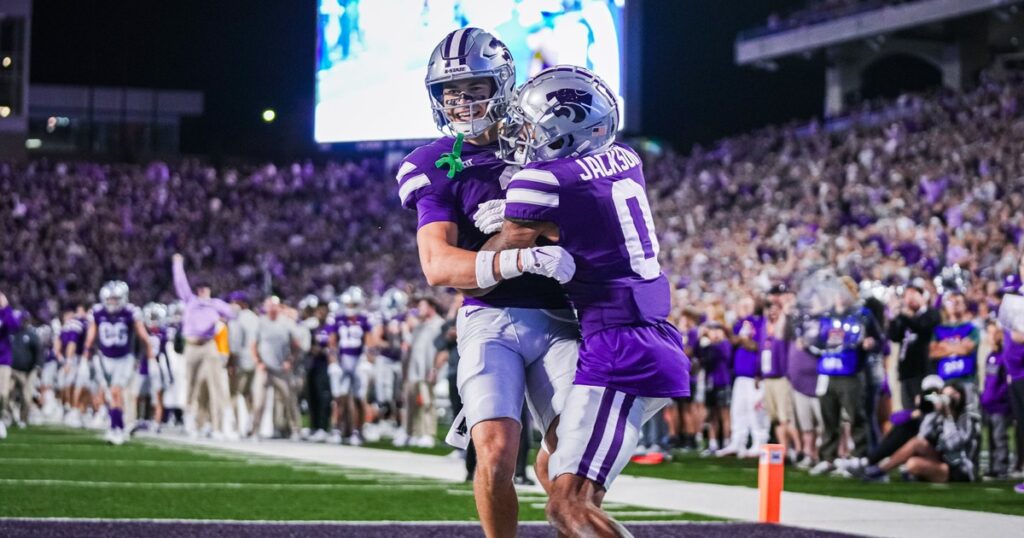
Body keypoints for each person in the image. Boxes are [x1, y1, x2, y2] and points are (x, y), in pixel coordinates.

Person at [484, 65, 691, 536]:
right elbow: (580, 217)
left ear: (564, 128)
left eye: (531, 124)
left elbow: (489, 268)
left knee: (567, 506)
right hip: (647, 330)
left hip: (618, 345)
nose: (521, 134)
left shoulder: (541, 182)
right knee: (549, 467)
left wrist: (504, 225)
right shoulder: (625, 156)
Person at [398, 28, 578, 537]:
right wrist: (519, 249)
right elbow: (438, 266)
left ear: (501, 83)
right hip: (489, 319)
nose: (460, 101)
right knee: (496, 454)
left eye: (473, 87)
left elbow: (592, 226)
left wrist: (537, 226)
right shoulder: (433, 163)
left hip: (559, 315)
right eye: (449, 92)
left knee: (572, 451)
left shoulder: (549, 144)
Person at [172, 254, 237, 439]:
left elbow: (233, 314)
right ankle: (190, 421)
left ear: (209, 290)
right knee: (191, 384)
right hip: (192, 345)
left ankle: (219, 426)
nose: (202, 291)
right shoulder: (190, 301)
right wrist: (178, 264)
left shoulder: (215, 304)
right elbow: (180, 283)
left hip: (209, 345)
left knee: (217, 385)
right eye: (199, 288)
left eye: (204, 288)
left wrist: (222, 318)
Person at [861, 382, 979, 483]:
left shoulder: (966, 417)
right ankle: (880, 470)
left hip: (961, 469)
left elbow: (953, 444)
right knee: (917, 443)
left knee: (913, 464)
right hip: (944, 459)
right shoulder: (940, 415)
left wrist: (948, 416)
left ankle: (909, 473)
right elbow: (922, 434)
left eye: (951, 395)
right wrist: (934, 412)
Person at [83, 281, 153, 445]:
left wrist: (149, 350)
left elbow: (142, 333)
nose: (112, 302)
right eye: (110, 299)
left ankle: (117, 429)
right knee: (110, 395)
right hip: (105, 358)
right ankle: (117, 427)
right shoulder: (98, 312)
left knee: (115, 392)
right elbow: (92, 334)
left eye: (116, 299)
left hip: (124, 358)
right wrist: (87, 350)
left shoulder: (130, 312)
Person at [717, 295, 768, 457]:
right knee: (738, 410)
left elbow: (755, 346)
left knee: (756, 411)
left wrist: (742, 338)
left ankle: (759, 442)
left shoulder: (761, 323)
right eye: (742, 305)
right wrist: (729, 332)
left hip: (755, 375)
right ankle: (737, 441)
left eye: (747, 305)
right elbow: (734, 341)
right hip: (739, 374)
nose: (743, 308)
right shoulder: (740, 323)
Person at [250, 296, 303, 440]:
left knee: (289, 399)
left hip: (281, 369)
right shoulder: (260, 322)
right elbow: (253, 344)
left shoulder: (286, 323)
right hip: (264, 367)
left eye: (275, 306)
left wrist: (290, 361)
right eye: (270, 305)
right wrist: (258, 361)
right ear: (265, 307)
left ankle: (296, 430)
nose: (272, 308)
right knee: (259, 401)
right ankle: (255, 430)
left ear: (279, 307)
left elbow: (297, 344)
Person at [327, 286, 373, 446]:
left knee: (359, 398)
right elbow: (332, 343)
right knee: (339, 398)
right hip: (343, 360)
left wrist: (367, 360)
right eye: (348, 305)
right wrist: (333, 363)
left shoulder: (364, 319)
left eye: (353, 305)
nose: (350, 308)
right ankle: (337, 429)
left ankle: (357, 431)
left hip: (358, 359)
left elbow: (369, 342)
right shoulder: (337, 319)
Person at [888, 282, 941, 411]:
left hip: (923, 371)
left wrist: (903, 314)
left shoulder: (932, 314)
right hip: (906, 373)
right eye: (907, 295)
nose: (910, 299)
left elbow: (921, 326)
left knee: (924, 412)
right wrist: (894, 315)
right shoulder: (905, 318)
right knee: (908, 413)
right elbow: (894, 336)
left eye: (914, 294)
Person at [403, 297, 445, 448]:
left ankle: (428, 434)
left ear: (431, 307)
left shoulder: (439, 324)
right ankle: (415, 432)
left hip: (427, 369)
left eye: (422, 306)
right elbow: (410, 346)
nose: (419, 309)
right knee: (413, 403)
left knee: (427, 402)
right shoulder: (420, 325)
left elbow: (439, 349)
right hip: (414, 371)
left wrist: (435, 369)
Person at [929, 291, 980, 412]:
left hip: (967, 380)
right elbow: (933, 353)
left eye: (958, 302)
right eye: (950, 301)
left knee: (969, 417)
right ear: (945, 306)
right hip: (945, 381)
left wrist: (944, 345)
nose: (954, 304)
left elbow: (966, 350)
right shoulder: (939, 330)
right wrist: (958, 345)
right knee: (947, 419)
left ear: (965, 305)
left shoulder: (972, 328)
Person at [226, 291, 260, 437]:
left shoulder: (236, 318)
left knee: (234, 394)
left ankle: (237, 426)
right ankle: (252, 424)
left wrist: (231, 362)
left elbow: (234, 343)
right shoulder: (255, 318)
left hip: (241, 360)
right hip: (255, 360)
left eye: (235, 302)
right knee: (249, 394)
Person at [979, 320, 1010, 479]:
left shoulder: (1004, 356)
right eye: (989, 333)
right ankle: (992, 466)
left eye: (993, 333)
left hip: (999, 405)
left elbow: (1005, 383)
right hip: (988, 404)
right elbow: (987, 380)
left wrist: (998, 397)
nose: (990, 337)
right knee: (990, 437)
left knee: (999, 437)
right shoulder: (990, 356)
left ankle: (1002, 467)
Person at [0, 292, 22, 439]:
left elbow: (15, 325)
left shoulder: (4, 314)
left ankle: (0, 418)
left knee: (3, 394)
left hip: (3, 360)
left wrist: (5, 307)